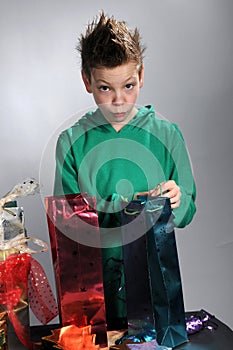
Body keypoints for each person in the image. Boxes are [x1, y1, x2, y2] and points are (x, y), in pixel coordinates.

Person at [53, 11, 196, 330]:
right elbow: (69, 227)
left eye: (129, 86)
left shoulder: (167, 135)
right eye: (105, 88)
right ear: (87, 81)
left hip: (154, 294)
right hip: (95, 296)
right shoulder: (73, 142)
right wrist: (125, 204)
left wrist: (176, 198)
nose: (119, 101)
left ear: (141, 75)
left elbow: (187, 211)